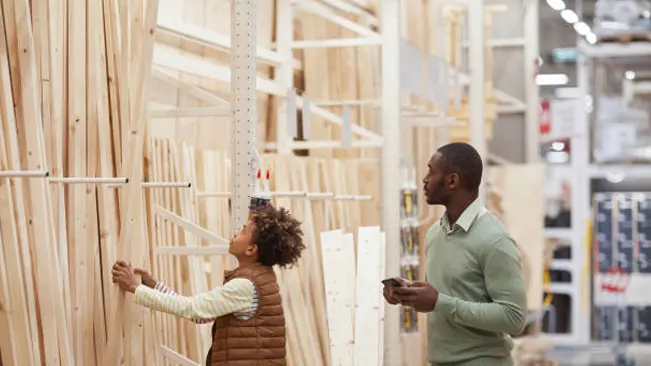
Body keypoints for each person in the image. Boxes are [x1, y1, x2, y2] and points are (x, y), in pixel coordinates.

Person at [383, 142, 527, 366]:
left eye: (431, 171)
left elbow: (514, 318)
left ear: (452, 180)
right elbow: (448, 297)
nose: (425, 179)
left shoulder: (494, 240)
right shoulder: (435, 234)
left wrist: (440, 302)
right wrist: (409, 294)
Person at [111, 203, 305, 366]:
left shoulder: (245, 286)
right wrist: (154, 285)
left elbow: (193, 309)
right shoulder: (260, 278)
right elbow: (202, 315)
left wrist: (135, 288)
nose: (236, 233)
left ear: (251, 249)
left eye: (243, 231)